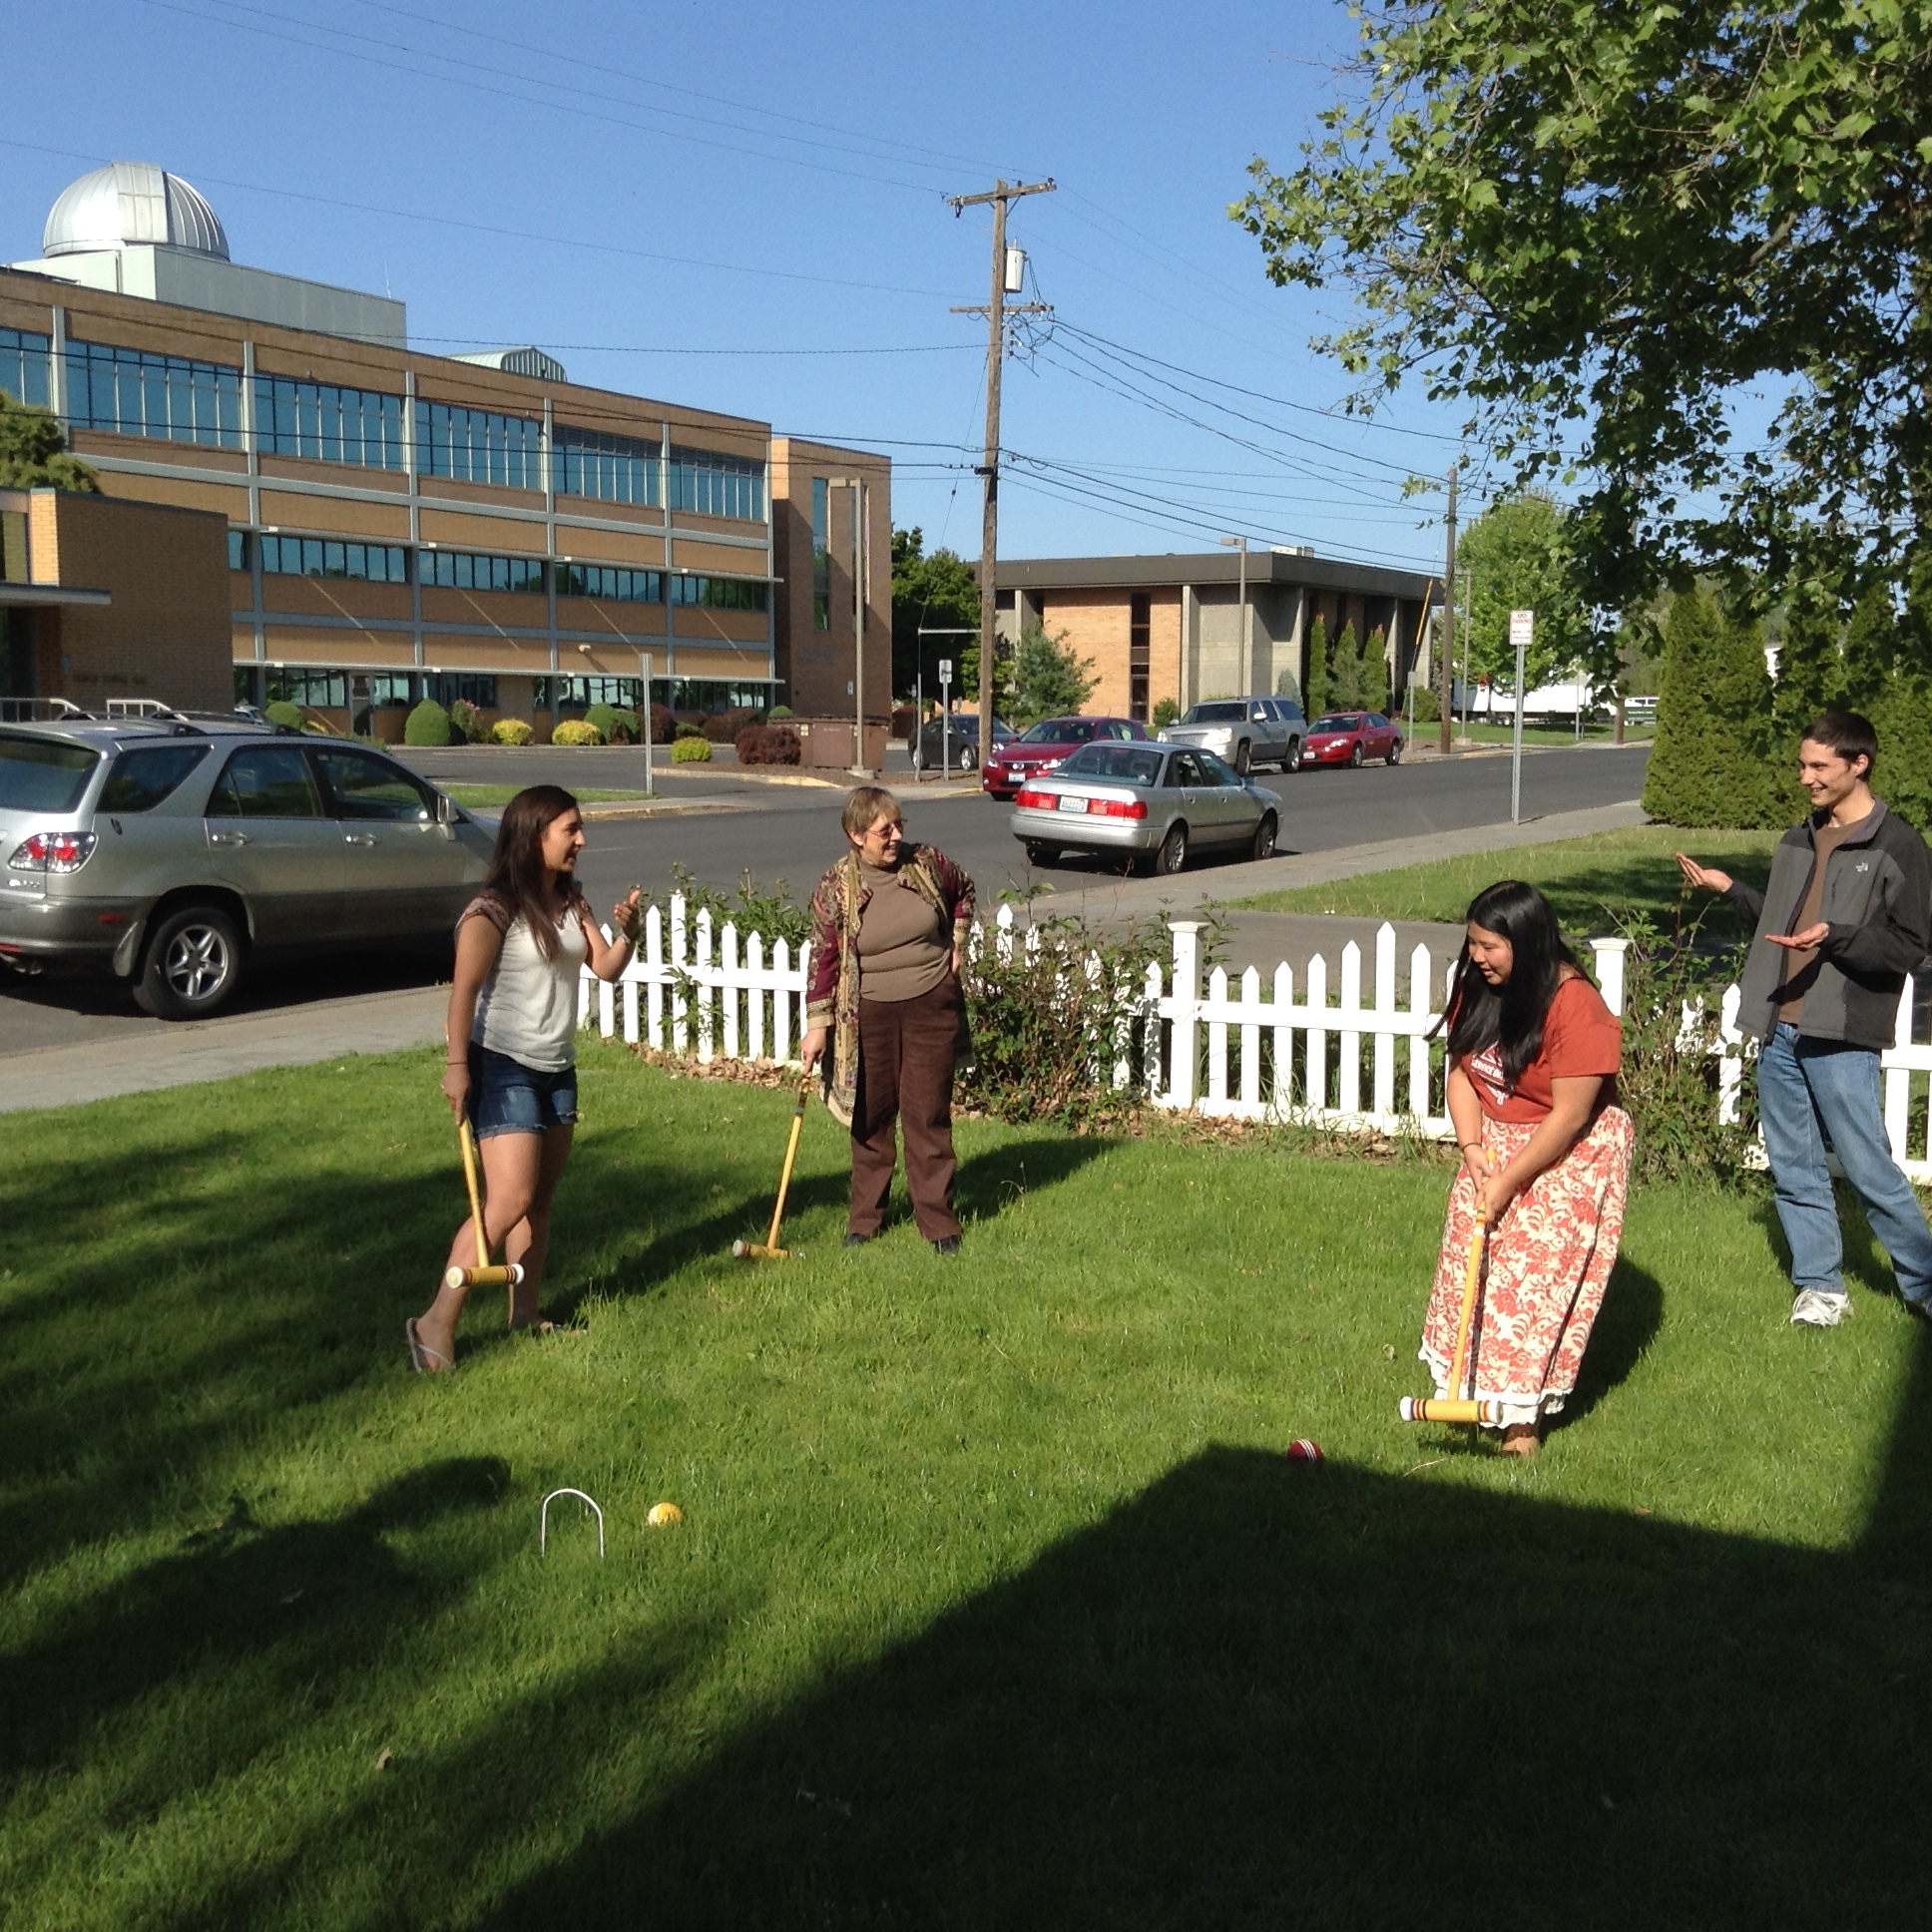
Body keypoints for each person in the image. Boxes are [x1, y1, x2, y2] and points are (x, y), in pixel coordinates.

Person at [1677, 710, 1932, 1327]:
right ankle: (1821, 1287)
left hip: (1842, 1030)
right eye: (1802, 764)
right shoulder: (1797, 839)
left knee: (1869, 1167)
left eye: (1819, 766)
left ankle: (1923, 1282)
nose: (1805, 777)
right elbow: (1784, 925)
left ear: (1858, 763)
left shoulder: (1897, 845)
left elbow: (1910, 944)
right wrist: (1733, 890)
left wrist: (1838, 937)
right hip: (1779, 1026)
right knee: (1793, 1165)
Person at [406, 785, 640, 1372]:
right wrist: (457, 1067)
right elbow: (462, 994)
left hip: (557, 1066)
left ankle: (523, 1314)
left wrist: (627, 932)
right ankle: (435, 1321)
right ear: (535, 836)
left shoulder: (570, 900)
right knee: (509, 1198)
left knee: (541, 1201)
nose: (581, 840)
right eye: (571, 830)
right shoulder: (493, 909)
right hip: (503, 1062)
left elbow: (605, 969)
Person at [1422, 880, 1633, 1456]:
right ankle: (1469, 1390)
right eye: (1473, 944)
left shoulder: (1576, 1007)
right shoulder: (1480, 986)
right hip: (1492, 1141)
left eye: (1491, 946)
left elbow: (1569, 1116)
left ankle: (1521, 1424)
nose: (1477, 958)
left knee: (1533, 1283)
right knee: (1476, 1266)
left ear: (1529, 941)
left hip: (1568, 1150)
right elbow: (1463, 1072)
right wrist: (1473, 1153)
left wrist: (1511, 1178)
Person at [799, 785, 975, 1255]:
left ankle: (939, 1225)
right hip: (868, 1014)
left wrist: (957, 940)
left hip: (929, 1004)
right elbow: (824, 959)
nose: (896, 836)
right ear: (856, 835)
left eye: (899, 826)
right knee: (870, 1118)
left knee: (926, 1115)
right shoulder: (834, 886)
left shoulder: (928, 863)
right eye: (884, 830)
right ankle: (865, 1222)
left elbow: (964, 891)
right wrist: (818, 1025)